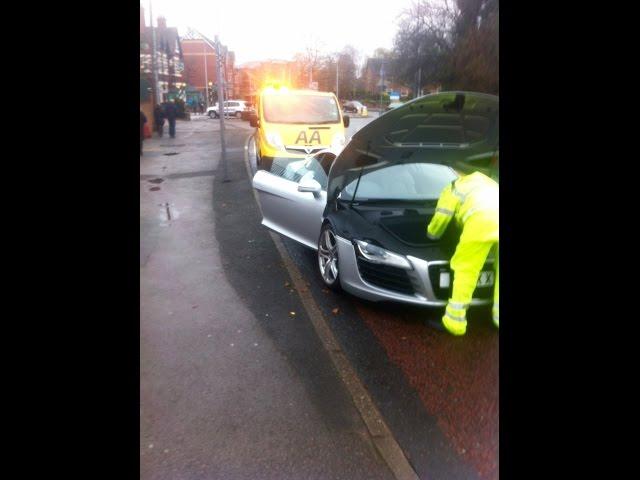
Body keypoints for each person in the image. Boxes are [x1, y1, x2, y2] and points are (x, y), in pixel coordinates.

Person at [426, 171, 499, 336]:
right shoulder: (488, 182)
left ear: (458, 175)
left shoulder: (454, 187)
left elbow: (441, 219)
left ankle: (454, 322)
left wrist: (432, 235)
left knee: (465, 270)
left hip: (482, 222)